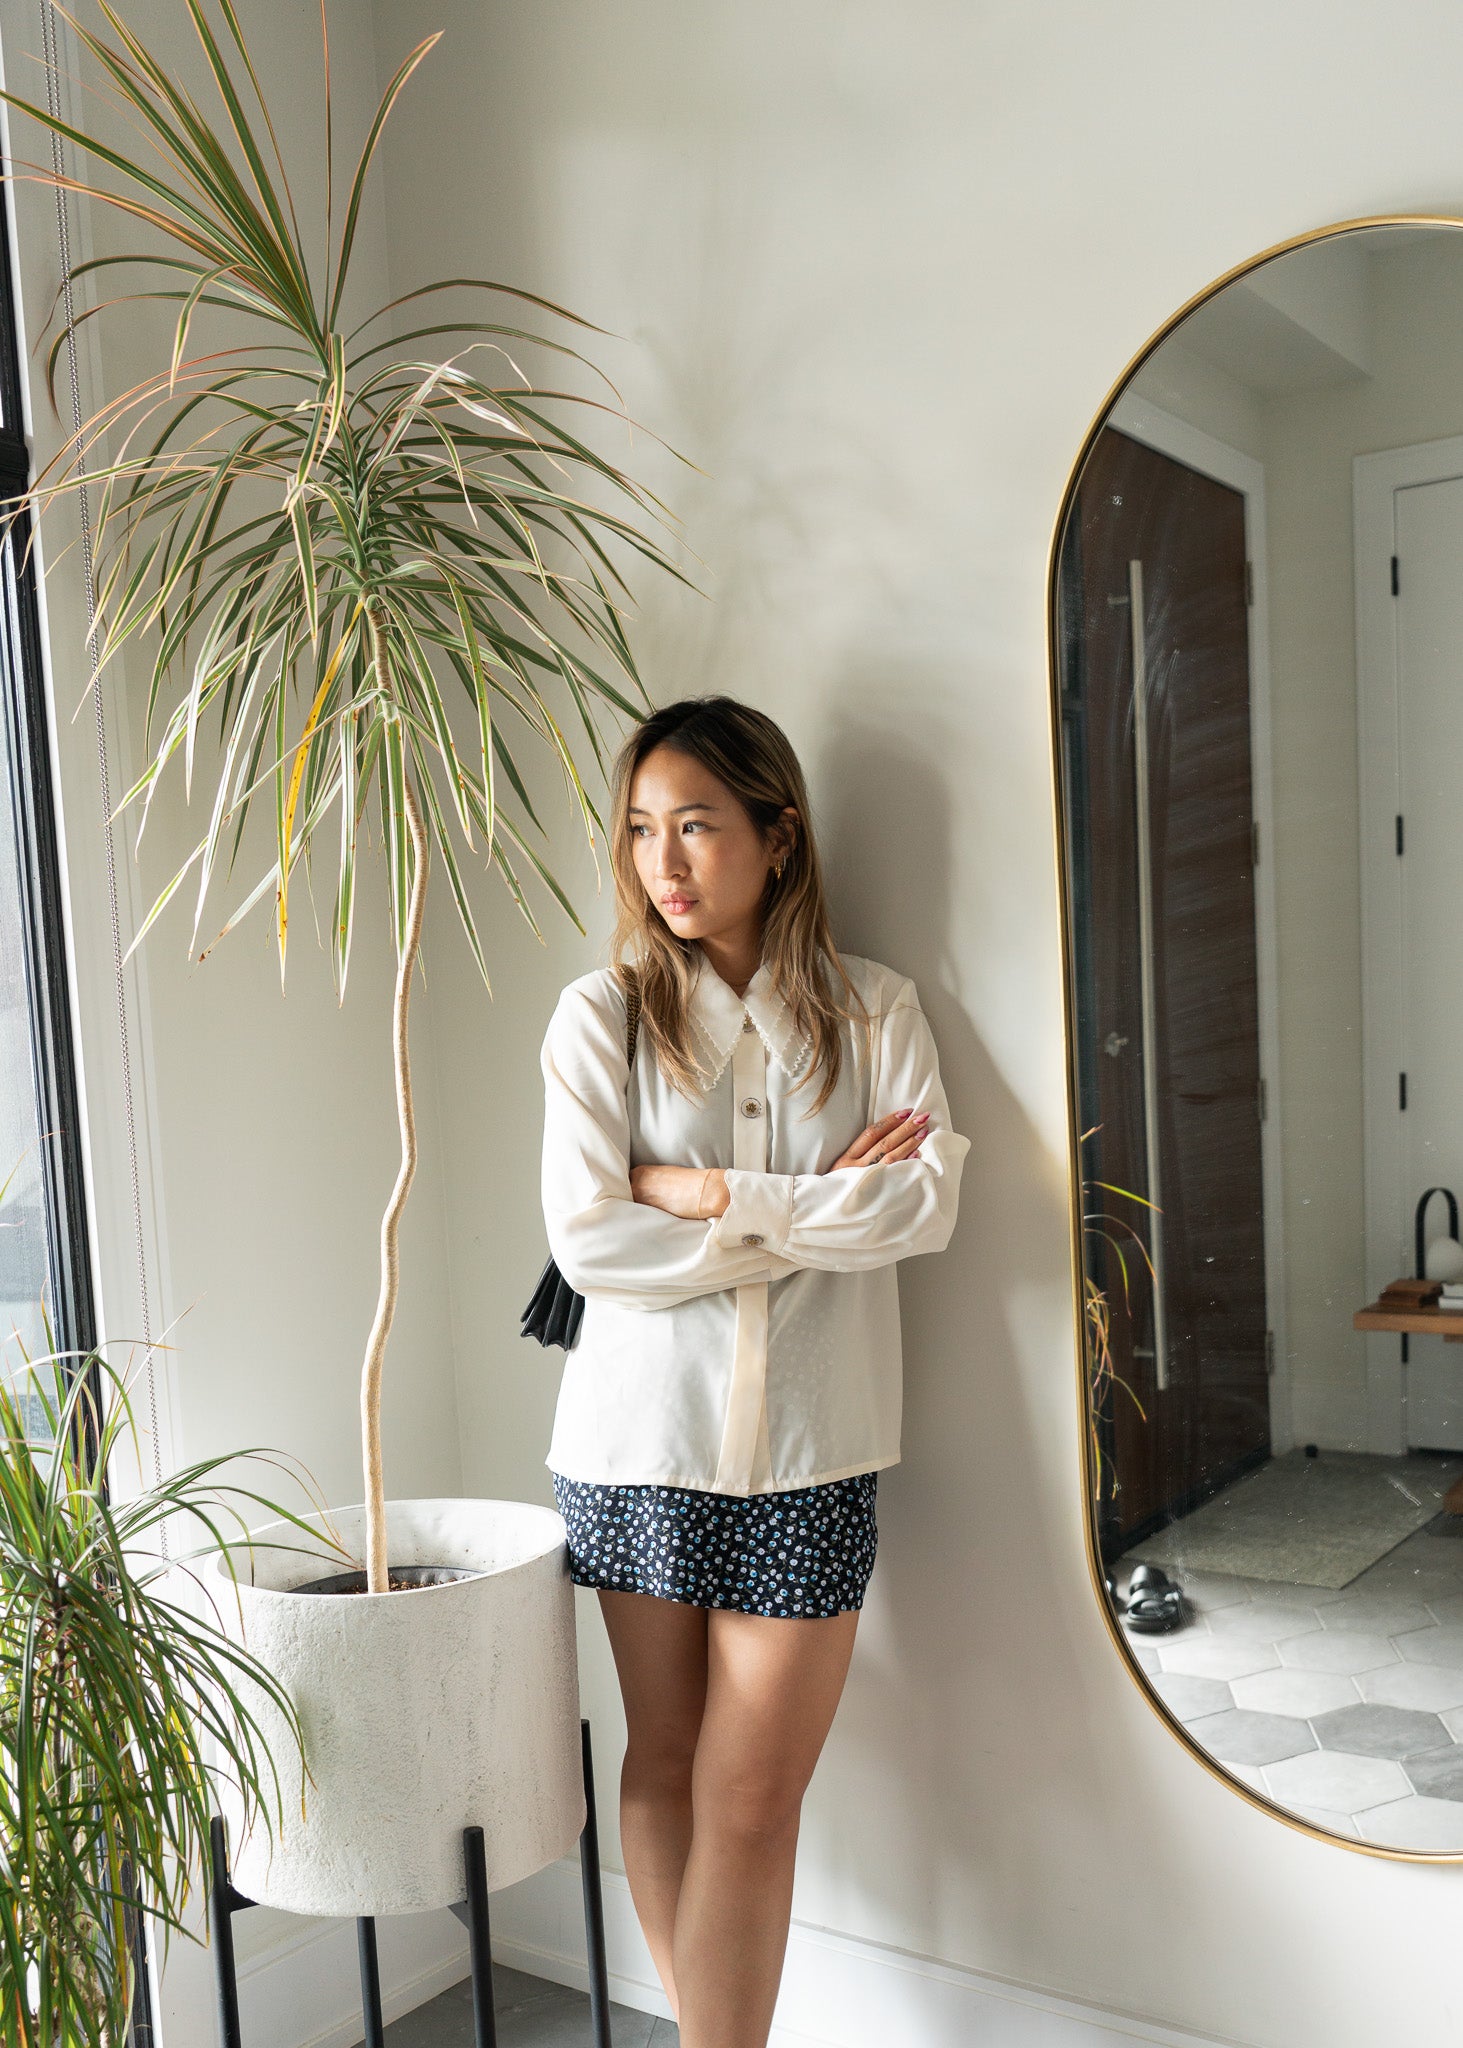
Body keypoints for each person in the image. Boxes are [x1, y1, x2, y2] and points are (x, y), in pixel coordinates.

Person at [538, 695, 968, 2048]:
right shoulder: (597, 1017)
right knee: (660, 1768)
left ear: (778, 837)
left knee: (752, 1795)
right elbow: (592, 1242)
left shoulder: (874, 1007)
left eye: (699, 827)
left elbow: (922, 1210)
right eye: (643, 829)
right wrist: (796, 1209)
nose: (662, 862)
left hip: (813, 1450)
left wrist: (708, 1195)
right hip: (634, 1446)